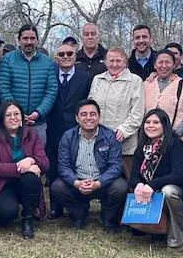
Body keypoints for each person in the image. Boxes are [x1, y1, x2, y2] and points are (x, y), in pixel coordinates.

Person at [128, 109, 183, 251]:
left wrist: (151, 185)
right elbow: (134, 175)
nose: (151, 126)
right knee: (137, 188)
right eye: (147, 122)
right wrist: (138, 185)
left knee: (167, 190)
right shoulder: (143, 147)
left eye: (156, 122)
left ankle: (178, 238)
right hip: (154, 194)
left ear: (165, 125)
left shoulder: (175, 145)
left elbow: (178, 175)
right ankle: (154, 228)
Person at [50, 98, 128, 231]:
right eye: (83, 114)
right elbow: (63, 166)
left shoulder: (110, 137)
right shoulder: (68, 137)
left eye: (93, 114)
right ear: (76, 118)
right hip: (78, 182)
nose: (88, 118)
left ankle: (107, 217)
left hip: (102, 182)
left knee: (121, 187)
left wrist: (98, 183)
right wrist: (76, 182)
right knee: (57, 187)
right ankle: (80, 214)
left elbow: (115, 166)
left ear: (99, 117)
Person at [141, 50, 183, 212]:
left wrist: (172, 135)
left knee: (171, 182)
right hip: (149, 144)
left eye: (168, 62)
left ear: (175, 64)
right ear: (154, 65)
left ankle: (174, 218)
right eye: (160, 62)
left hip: (177, 144)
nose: (164, 65)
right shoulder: (146, 84)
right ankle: (151, 219)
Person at [0, 100, 49, 238]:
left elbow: (45, 163)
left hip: (26, 183)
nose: (13, 118)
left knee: (31, 178)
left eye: (16, 114)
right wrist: (22, 167)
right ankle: (9, 209)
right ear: (2, 118)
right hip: (2, 184)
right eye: (8, 115)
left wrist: (31, 160)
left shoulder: (32, 133)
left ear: (22, 116)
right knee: (6, 214)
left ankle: (28, 219)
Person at [46, 41, 93, 211]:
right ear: (56, 57)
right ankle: (56, 206)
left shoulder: (85, 77)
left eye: (69, 54)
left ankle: (81, 203)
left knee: (77, 165)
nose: (65, 57)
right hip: (53, 127)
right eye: (61, 54)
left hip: (77, 128)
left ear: (75, 56)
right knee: (54, 166)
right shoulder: (49, 74)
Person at [0, 24, 57, 146]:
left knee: (37, 160)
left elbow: (51, 90)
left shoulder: (47, 62)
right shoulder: (7, 60)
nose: (29, 42)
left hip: (38, 123)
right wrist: (17, 113)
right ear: (19, 40)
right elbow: (3, 88)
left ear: (37, 40)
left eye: (32, 38)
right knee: (12, 159)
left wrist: (39, 112)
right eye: (25, 38)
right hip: (12, 122)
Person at [90, 48, 145, 177]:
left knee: (130, 180)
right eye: (111, 61)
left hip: (125, 143)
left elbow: (138, 112)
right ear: (106, 62)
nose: (114, 64)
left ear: (125, 62)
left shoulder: (135, 81)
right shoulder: (97, 79)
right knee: (103, 180)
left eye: (118, 61)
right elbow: (91, 107)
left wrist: (123, 131)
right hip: (100, 140)